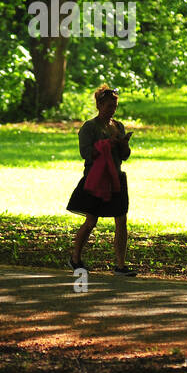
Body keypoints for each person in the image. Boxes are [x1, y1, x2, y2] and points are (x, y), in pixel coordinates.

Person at [66, 84, 137, 276]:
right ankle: (75, 258)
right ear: (99, 105)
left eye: (114, 107)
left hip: (116, 178)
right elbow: (85, 153)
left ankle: (120, 265)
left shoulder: (118, 126)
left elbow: (125, 156)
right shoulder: (89, 127)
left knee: (121, 221)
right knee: (91, 221)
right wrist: (106, 144)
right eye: (108, 107)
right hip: (96, 179)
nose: (112, 110)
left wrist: (122, 145)